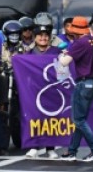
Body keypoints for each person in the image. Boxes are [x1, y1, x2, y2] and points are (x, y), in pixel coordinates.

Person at [57, 17, 93, 162]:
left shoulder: (79, 43)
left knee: (78, 120)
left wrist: (62, 54)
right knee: (80, 119)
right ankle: (72, 151)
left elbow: (64, 62)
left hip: (84, 83)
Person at [24, 25, 62, 159]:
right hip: (34, 91)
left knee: (51, 120)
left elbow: (63, 71)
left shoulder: (57, 51)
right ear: (35, 37)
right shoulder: (28, 53)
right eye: (40, 35)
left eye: (46, 35)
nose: (43, 38)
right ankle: (33, 146)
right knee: (34, 118)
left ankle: (50, 148)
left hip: (52, 91)